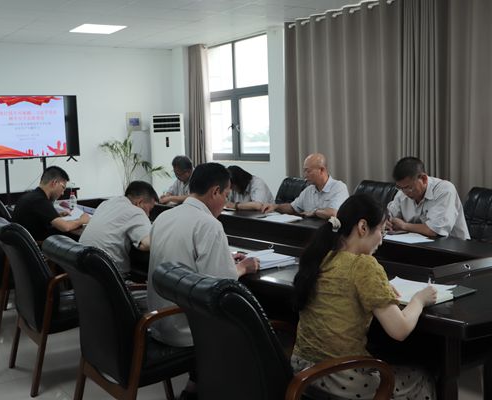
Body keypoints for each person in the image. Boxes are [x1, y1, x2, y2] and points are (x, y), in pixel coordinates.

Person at [292, 194, 437, 400]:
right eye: (382, 231)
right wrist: (419, 299)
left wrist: (380, 288)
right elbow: (400, 330)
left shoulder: (320, 256)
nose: (381, 240)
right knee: (422, 376)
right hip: (339, 377)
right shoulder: (363, 265)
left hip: (303, 374)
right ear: (363, 227)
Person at [147, 162, 260, 399]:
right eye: (226, 195)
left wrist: (224, 257)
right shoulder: (209, 225)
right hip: (184, 326)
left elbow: (185, 262)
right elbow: (222, 286)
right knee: (251, 325)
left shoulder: (164, 217)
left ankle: (194, 385)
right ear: (215, 192)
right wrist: (242, 267)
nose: (226, 203)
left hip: (157, 319)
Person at [79, 181, 158, 277]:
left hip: (81, 270)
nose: (148, 214)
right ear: (140, 202)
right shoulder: (136, 211)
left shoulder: (106, 203)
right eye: (150, 209)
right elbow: (147, 244)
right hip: (109, 277)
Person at [387, 156, 470, 240]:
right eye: (400, 187)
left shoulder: (444, 190)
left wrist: (404, 226)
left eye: (409, 187)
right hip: (416, 243)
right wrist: (386, 222)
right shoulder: (402, 193)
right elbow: (390, 216)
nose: (405, 192)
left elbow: (435, 230)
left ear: (424, 179)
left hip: (451, 244)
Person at [12, 166, 90, 240]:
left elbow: (36, 219)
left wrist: (56, 216)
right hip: (39, 245)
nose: (62, 193)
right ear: (54, 183)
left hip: (23, 244)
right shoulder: (40, 200)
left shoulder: (32, 196)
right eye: (63, 187)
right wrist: (81, 220)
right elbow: (65, 227)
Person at [262, 153, 349, 218]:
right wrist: (275, 206)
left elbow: (334, 213)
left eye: (308, 171)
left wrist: (314, 212)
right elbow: (292, 208)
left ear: (321, 170)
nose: (305, 175)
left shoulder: (339, 187)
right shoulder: (309, 190)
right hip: (309, 231)